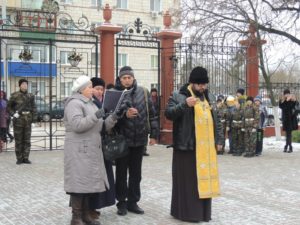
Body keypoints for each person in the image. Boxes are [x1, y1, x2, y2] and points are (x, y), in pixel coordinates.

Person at [165, 66, 223, 222]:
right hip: (186, 147)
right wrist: (185, 105)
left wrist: (219, 140)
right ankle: (186, 213)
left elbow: (216, 120)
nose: (202, 87)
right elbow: (168, 114)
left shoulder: (209, 96)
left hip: (207, 148)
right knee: (189, 182)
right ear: (192, 83)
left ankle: (203, 213)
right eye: (199, 84)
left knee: (203, 180)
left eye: (204, 84)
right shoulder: (179, 95)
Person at [64, 75, 124, 225]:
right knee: (79, 183)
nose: (92, 90)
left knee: (88, 182)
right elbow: (77, 125)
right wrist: (97, 114)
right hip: (78, 150)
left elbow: (101, 126)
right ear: (82, 89)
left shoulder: (90, 103)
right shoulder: (74, 103)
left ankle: (85, 214)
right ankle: (76, 217)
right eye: (90, 87)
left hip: (91, 149)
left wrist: (114, 116)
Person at [114, 66, 159, 216]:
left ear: (133, 78)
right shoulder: (115, 94)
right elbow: (109, 117)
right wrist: (124, 115)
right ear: (120, 79)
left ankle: (133, 202)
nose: (127, 80)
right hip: (121, 140)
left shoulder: (144, 92)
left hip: (139, 140)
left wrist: (153, 134)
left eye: (129, 77)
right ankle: (121, 202)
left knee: (136, 174)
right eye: (124, 78)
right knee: (121, 174)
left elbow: (152, 115)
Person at [88, 77, 115, 219]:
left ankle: (96, 205)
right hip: (92, 145)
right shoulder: (88, 103)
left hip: (103, 145)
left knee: (103, 177)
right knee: (93, 178)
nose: (99, 91)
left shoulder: (102, 103)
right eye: (97, 89)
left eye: (101, 89)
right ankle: (89, 207)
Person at [7, 79, 37, 164]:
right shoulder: (15, 95)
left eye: (26, 84)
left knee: (27, 140)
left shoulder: (30, 96)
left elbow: (34, 108)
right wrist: (13, 114)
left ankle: (26, 158)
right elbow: (9, 107)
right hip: (18, 120)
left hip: (28, 120)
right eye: (23, 84)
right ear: (19, 85)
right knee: (19, 140)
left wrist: (34, 120)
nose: (25, 85)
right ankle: (19, 158)